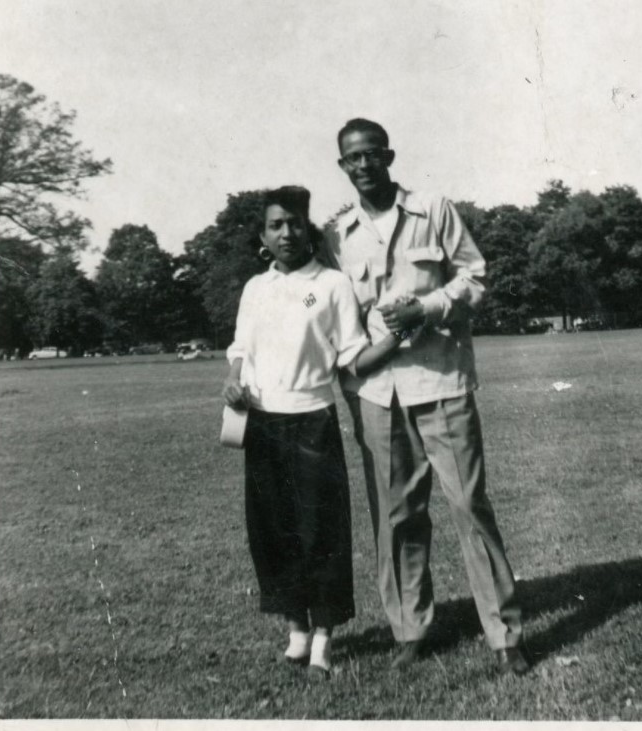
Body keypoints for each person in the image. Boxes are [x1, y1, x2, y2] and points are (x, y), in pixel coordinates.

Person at [324, 118, 529, 676]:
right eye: (352, 158)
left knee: (468, 506)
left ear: (388, 156)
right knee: (395, 517)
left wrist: (427, 307)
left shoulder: (433, 209)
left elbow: (476, 276)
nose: (363, 165)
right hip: (374, 393)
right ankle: (410, 629)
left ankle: (504, 633)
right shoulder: (338, 235)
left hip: (440, 383)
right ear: (342, 167)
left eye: (371, 154)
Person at [223, 185, 405, 679]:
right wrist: (234, 379)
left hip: (312, 422)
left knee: (318, 533)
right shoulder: (255, 288)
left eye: (294, 223)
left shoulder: (331, 284)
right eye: (275, 225)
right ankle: (296, 631)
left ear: (308, 229)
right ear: (262, 234)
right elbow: (240, 347)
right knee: (272, 532)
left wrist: (399, 338)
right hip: (261, 425)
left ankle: (324, 637)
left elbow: (352, 355)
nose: (286, 233)